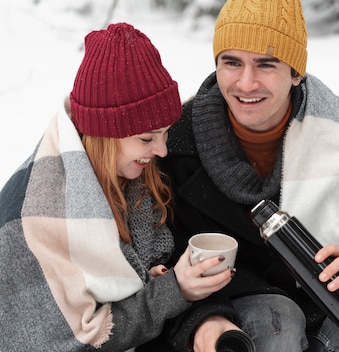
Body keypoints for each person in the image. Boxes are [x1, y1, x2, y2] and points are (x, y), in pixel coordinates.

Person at [152, 0, 339, 351]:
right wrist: (205, 318)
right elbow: (156, 259)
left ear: (295, 72)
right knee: (278, 324)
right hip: (225, 305)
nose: (246, 83)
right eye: (231, 63)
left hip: (330, 303)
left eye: (265, 64)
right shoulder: (174, 142)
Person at [0, 23, 235, 351]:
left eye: (165, 132)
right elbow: (77, 341)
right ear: (103, 135)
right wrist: (172, 291)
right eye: (146, 138)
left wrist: (153, 278)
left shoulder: (131, 178)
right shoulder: (36, 217)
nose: (163, 150)